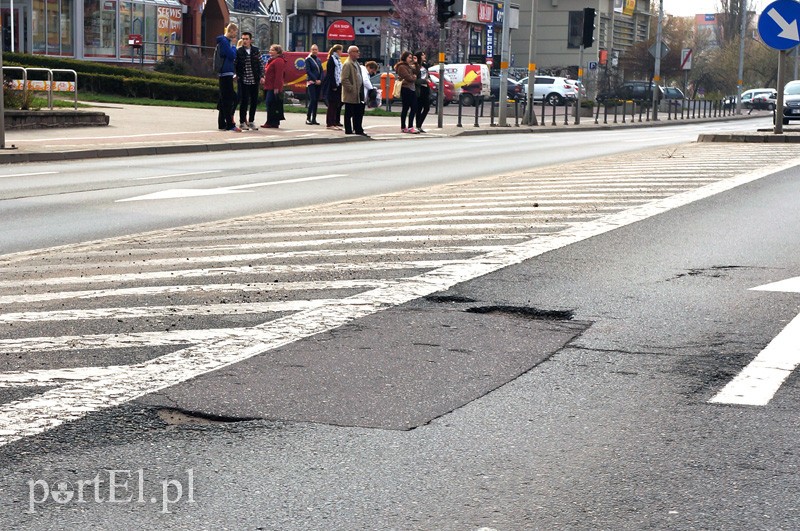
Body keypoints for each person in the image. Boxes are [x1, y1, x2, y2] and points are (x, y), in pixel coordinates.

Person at [235, 32, 262, 131]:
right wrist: (236, 75)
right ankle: (242, 121)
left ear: (250, 40)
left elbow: (260, 64)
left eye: (246, 39)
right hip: (243, 79)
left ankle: (251, 121)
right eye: (243, 39)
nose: (244, 41)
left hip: (254, 79)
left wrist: (261, 76)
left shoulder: (256, 51)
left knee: (254, 101)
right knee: (244, 101)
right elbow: (235, 64)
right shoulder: (239, 51)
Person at [216, 23, 240, 132]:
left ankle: (222, 123)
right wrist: (234, 47)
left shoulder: (225, 42)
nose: (236, 35)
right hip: (225, 72)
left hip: (227, 72)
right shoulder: (225, 42)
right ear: (231, 30)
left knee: (224, 98)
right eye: (235, 32)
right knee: (230, 99)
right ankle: (230, 124)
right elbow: (231, 55)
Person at [341, 46, 367, 136]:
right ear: (351, 52)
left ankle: (358, 129)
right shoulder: (348, 64)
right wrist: (351, 88)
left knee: (358, 112)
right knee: (349, 112)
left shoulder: (356, 63)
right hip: (350, 94)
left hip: (358, 92)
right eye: (357, 51)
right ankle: (348, 130)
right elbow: (344, 79)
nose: (358, 53)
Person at [261, 44, 287, 129]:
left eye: (272, 50)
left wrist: (277, 87)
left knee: (271, 103)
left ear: (277, 52)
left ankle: (270, 121)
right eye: (270, 50)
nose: (270, 52)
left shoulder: (278, 61)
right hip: (269, 85)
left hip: (273, 87)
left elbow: (279, 75)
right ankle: (274, 122)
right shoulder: (271, 60)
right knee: (272, 104)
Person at [321, 44, 344, 129]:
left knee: (336, 104)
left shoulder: (338, 60)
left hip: (338, 84)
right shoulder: (331, 60)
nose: (342, 52)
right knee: (332, 104)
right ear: (337, 51)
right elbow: (331, 74)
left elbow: (339, 72)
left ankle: (334, 122)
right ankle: (329, 123)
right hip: (332, 84)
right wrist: (334, 85)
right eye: (341, 50)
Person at [395, 51, 418, 134]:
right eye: (409, 57)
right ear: (405, 57)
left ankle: (410, 126)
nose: (410, 59)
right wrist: (413, 77)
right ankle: (404, 126)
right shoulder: (402, 66)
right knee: (406, 108)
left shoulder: (409, 66)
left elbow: (416, 72)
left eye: (411, 57)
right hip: (406, 88)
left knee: (414, 107)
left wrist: (416, 63)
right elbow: (409, 78)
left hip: (411, 88)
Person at [305, 44, 323, 125]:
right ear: (310, 50)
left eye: (316, 49)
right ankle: (308, 117)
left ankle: (314, 118)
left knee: (316, 101)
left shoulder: (319, 60)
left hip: (318, 82)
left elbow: (322, 71)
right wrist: (315, 79)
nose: (315, 51)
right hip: (311, 82)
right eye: (313, 49)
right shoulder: (308, 59)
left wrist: (320, 79)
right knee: (313, 99)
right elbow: (308, 71)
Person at [414, 51, 431, 133]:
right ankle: (418, 126)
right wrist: (424, 81)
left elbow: (428, 75)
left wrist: (428, 80)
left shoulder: (425, 66)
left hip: (425, 89)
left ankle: (419, 124)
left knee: (427, 108)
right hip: (419, 89)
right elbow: (415, 80)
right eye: (423, 55)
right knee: (419, 108)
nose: (425, 56)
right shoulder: (416, 66)